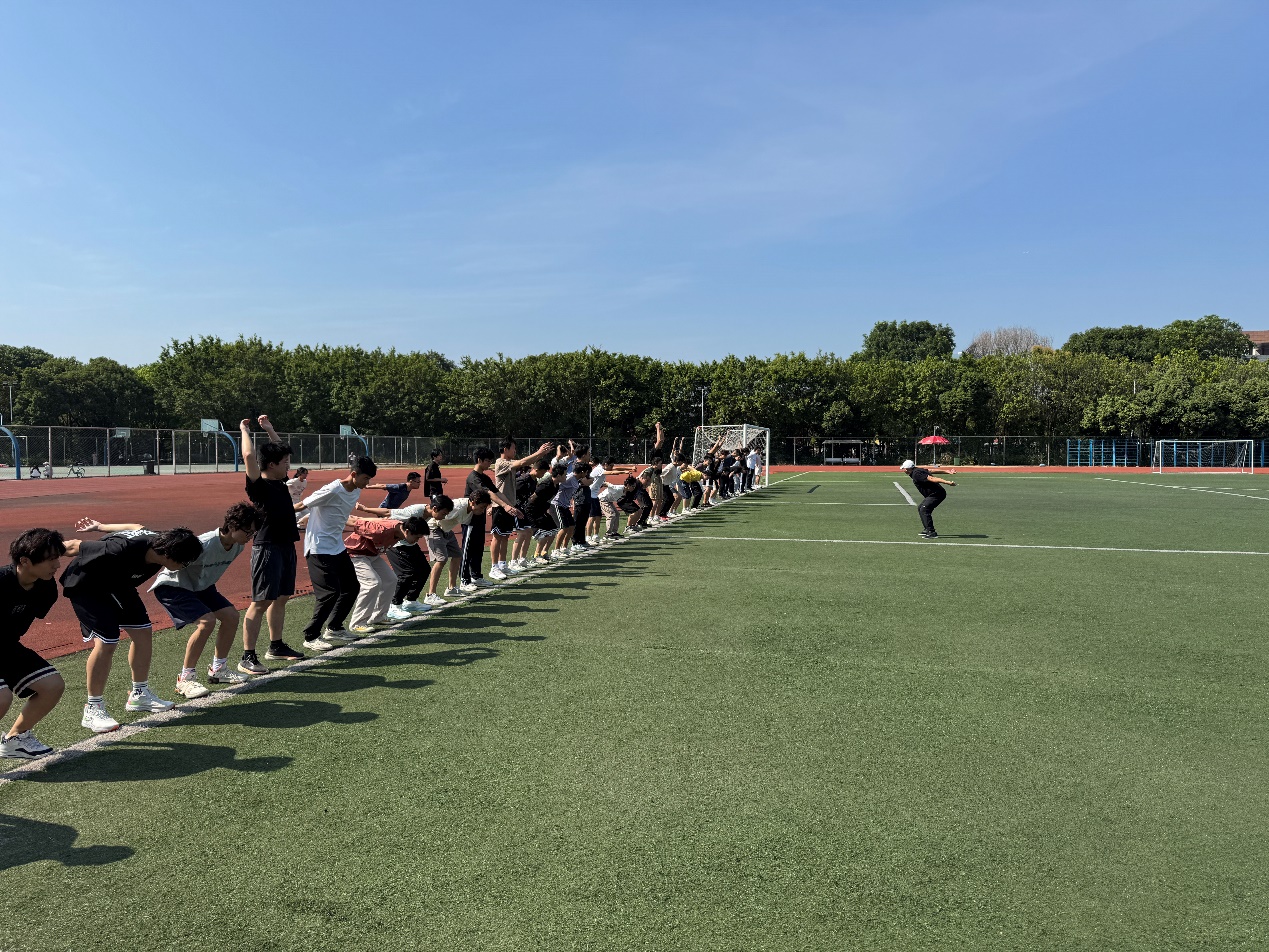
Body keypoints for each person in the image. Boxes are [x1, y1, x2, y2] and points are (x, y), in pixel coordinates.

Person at [61, 522, 203, 733]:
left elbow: (136, 526)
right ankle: (93, 708)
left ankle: (140, 695)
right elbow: (72, 546)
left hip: (117, 583)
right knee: (107, 642)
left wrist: (100, 526)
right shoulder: (121, 548)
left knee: (143, 631)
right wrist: (33, 557)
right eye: (186, 561)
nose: (187, 565)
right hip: (86, 585)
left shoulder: (160, 542)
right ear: (168, 554)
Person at [141, 502, 264, 699]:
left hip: (200, 587)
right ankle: (185, 679)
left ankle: (219, 670)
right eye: (247, 532)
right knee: (207, 622)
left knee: (231, 616)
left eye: (253, 533)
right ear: (232, 526)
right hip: (173, 586)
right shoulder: (204, 544)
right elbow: (173, 561)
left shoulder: (237, 546)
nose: (250, 537)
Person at [240, 415, 304, 673]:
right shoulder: (259, 486)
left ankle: (276, 646)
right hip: (267, 547)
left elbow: (280, 450)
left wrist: (269, 429)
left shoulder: (280, 482)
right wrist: (244, 430)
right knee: (261, 601)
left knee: (281, 597)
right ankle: (247, 656)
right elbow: (248, 456)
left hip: (286, 545)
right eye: (285, 462)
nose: (289, 465)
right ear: (271, 464)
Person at [0, 529, 71, 758]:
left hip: (6, 646)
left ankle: (15, 740)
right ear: (25, 561)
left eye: (57, 558)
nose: (57, 565)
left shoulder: (46, 588)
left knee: (52, 685)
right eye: (50, 559)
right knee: (2, 697)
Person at [296, 454, 377, 650]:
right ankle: (311, 636)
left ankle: (334, 628)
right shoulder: (332, 489)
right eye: (366, 478)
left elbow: (337, 513)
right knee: (329, 593)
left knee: (352, 587)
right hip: (318, 548)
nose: (367, 484)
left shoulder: (355, 490)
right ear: (353, 474)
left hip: (337, 547)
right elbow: (302, 505)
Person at [343, 514, 430, 632]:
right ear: (407, 531)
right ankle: (357, 623)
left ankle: (378, 617)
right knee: (372, 583)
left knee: (391, 580)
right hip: (355, 553)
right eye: (417, 537)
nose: (417, 541)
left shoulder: (401, 530)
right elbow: (355, 521)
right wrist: (331, 515)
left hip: (372, 555)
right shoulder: (381, 529)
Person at [489, 441, 553, 580]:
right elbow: (522, 462)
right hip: (500, 506)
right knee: (497, 537)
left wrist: (541, 454)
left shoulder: (510, 463)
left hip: (510, 506)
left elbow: (526, 463)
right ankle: (494, 567)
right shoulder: (501, 462)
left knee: (505, 536)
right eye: (513, 448)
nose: (515, 451)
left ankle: (502, 565)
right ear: (505, 449)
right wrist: (539, 452)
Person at [460, 448, 521, 591]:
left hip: (480, 518)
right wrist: (505, 506)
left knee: (478, 548)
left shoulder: (485, 477)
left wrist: (511, 506)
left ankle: (476, 576)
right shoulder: (473, 478)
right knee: (468, 549)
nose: (490, 464)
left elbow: (497, 492)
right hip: (470, 519)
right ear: (479, 460)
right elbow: (488, 494)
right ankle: (464, 580)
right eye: (488, 461)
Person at [899, 459, 957, 539]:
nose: (904, 470)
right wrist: (947, 471)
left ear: (908, 468)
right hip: (933, 494)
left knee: (924, 509)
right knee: (921, 508)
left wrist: (947, 482)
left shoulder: (916, 474)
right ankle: (927, 529)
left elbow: (932, 479)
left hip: (937, 494)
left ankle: (931, 532)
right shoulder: (917, 470)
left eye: (904, 469)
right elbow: (931, 470)